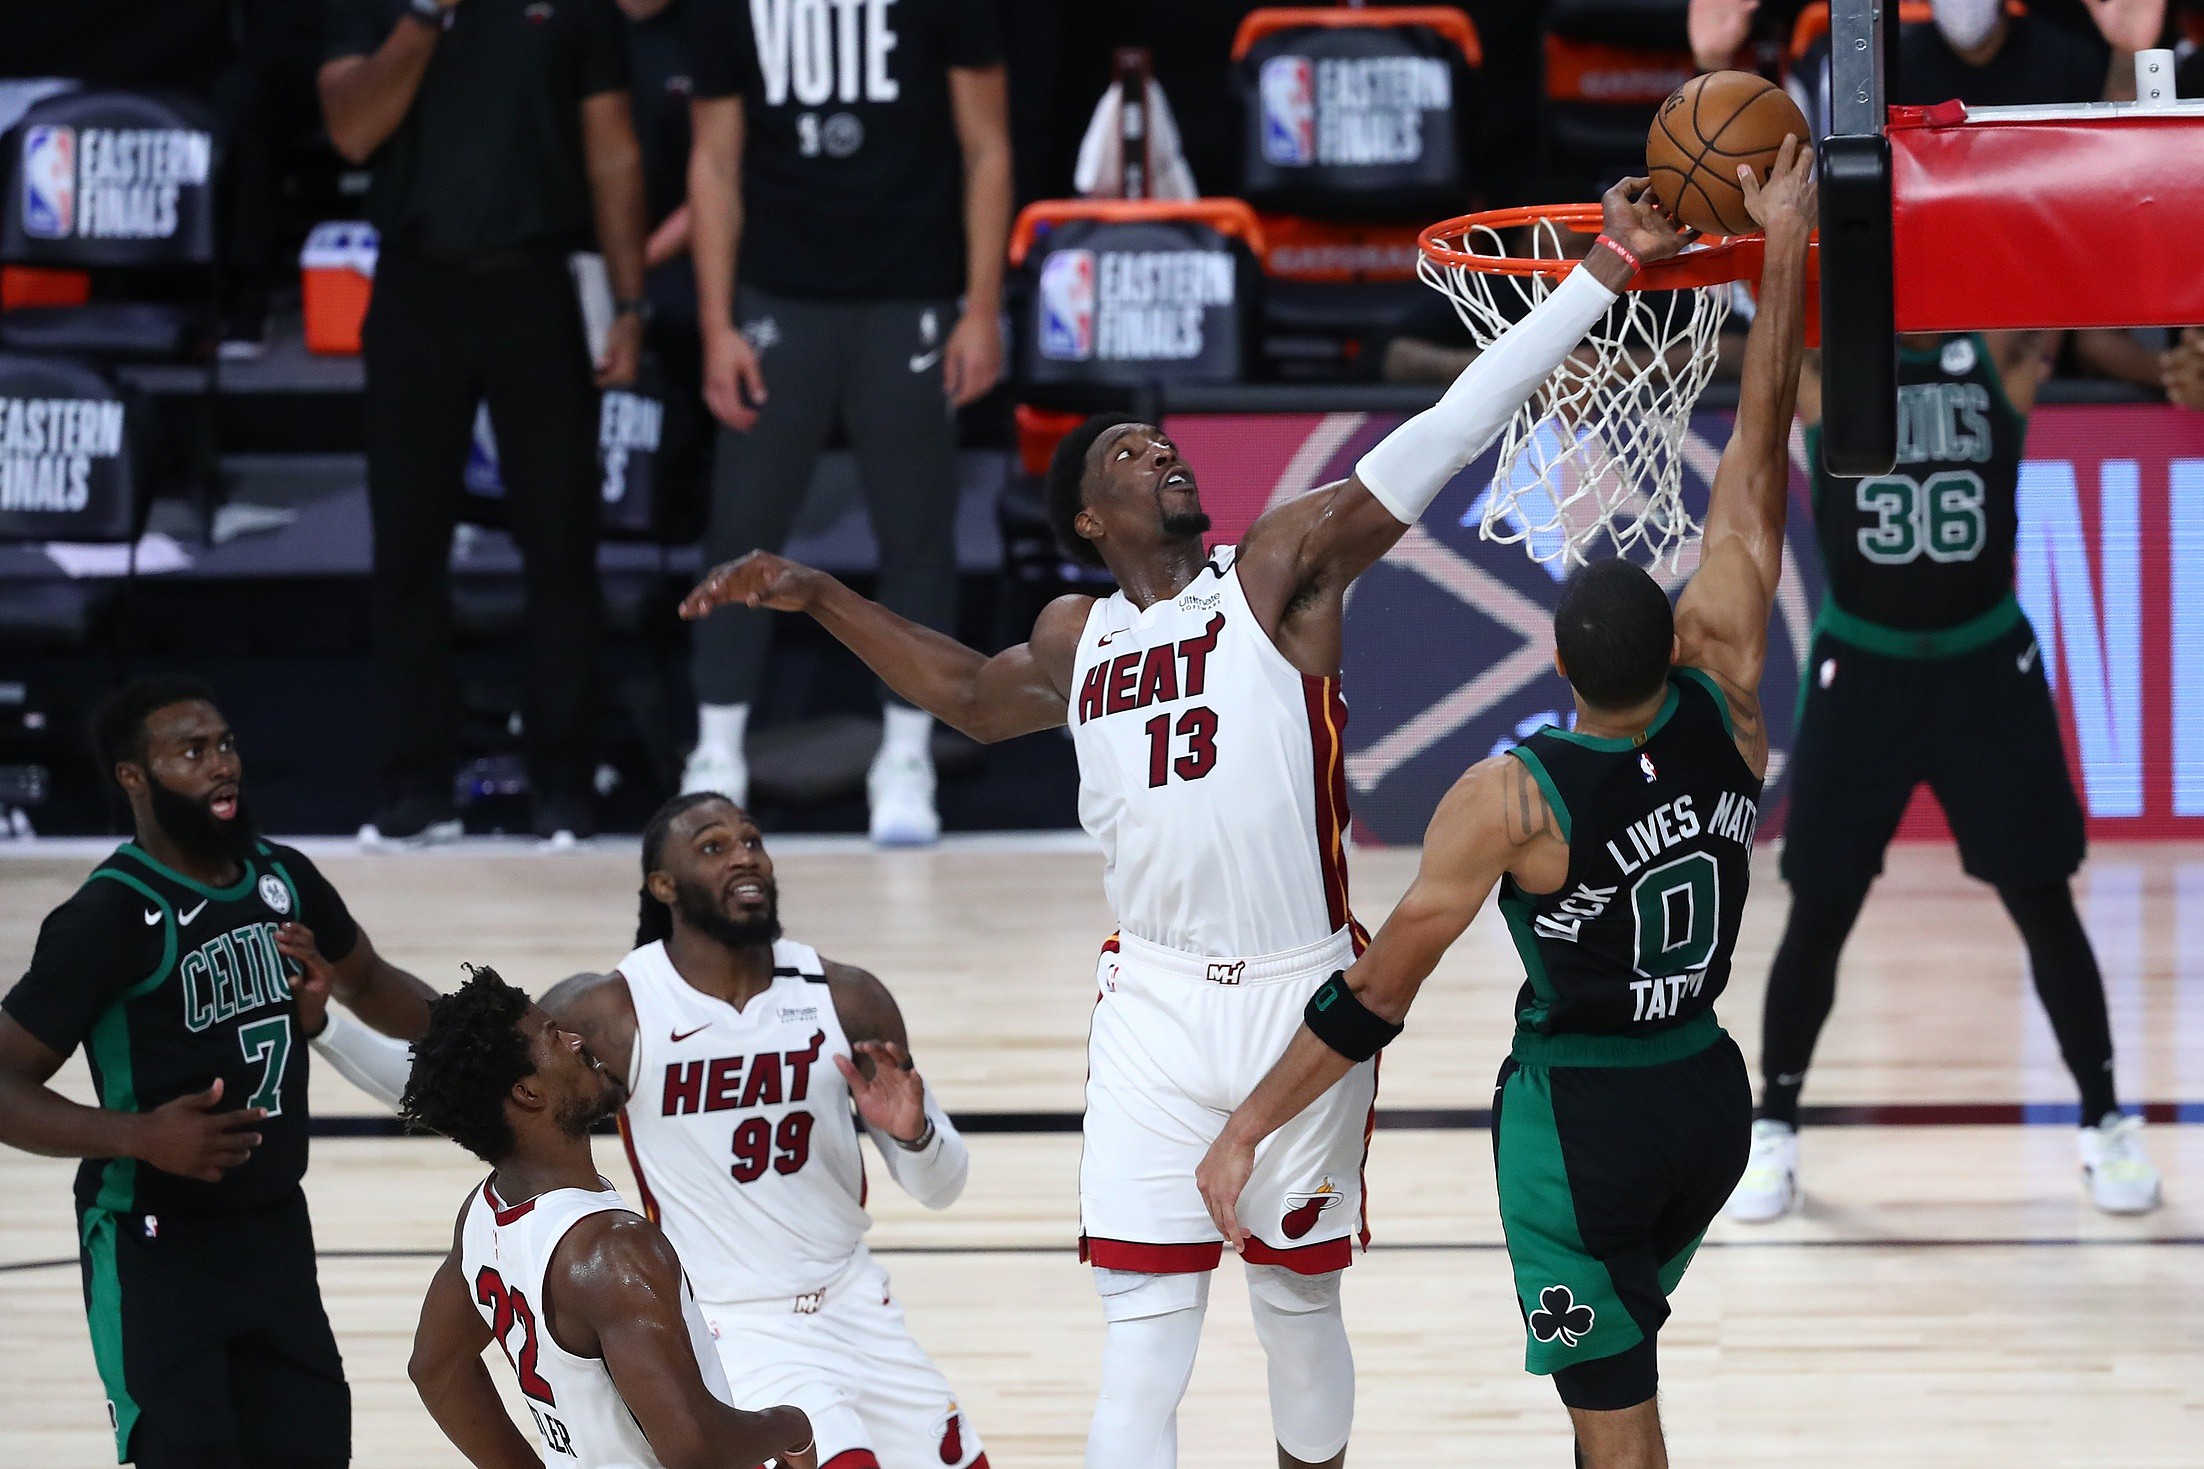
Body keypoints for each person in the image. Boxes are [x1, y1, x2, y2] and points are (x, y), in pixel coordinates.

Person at [681, 178, 1693, 1469]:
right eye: (1123, 455)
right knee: (1144, 1330)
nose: (1158, 452)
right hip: (1152, 1000)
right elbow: (959, 693)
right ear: (1088, 524)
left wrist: (1603, 271)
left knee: (1296, 1299)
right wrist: (819, 590)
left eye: (1162, 446)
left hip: (1298, 993)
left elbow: (1445, 430)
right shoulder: (1073, 634)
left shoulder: (1277, 572)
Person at [1193, 140, 1816, 1469]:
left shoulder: (1513, 800)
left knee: (1616, 1434)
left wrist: (1251, 1120)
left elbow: (1376, 997)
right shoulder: (1732, 704)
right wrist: (1781, 251)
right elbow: (1757, 466)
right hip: (1709, 1088)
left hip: (1581, 1123)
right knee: (1624, 1395)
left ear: (1558, 665)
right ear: (1682, 640)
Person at [1722, 323, 2165, 1219]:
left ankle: (2105, 1117)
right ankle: (1775, 1123)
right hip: (1863, 666)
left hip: (1986, 665)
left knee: (2044, 901)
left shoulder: (1999, 348)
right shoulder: (1823, 360)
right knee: (1820, 908)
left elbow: (2045, 265)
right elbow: (1778, 309)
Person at [0, 676, 436, 1469]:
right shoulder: (108, 916)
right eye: (191, 752)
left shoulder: (282, 876)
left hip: (273, 1228)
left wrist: (490, 1031)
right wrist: (137, 1136)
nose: (221, 765)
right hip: (153, 1242)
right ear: (134, 776)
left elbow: (369, 980)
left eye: (226, 745)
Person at [539, 793, 988, 1469]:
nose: (745, 855)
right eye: (714, 846)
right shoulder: (615, 1011)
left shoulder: (844, 994)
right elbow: (501, 1107)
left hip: (858, 1302)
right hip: (734, 1324)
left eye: (752, 840)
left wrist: (915, 1131)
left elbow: (943, 1188)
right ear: (663, 885)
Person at [678, 0, 1014, 845]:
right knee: (741, 523)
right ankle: (716, 753)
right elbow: (713, 163)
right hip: (777, 294)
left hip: (909, 291)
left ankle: (906, 753)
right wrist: (716, 324)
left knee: (917, 531)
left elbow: (987, 147)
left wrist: (981, 307)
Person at [319, 0, 650, 846]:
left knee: (560, 545)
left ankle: (564, 782)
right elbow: (352, 130)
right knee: (407, 548)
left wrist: (628, 302)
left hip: (535, 284)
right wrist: (427, 15)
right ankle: (415, 784)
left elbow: (611, 150)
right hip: (414, 288)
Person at [400, 967, 819, 1469]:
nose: (578, 1040)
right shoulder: (613, 1251)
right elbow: (694, 1449)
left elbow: (436, 1369)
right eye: (555, 1038)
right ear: (527, 1093)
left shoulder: (483, 1213)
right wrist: (791, 1425)